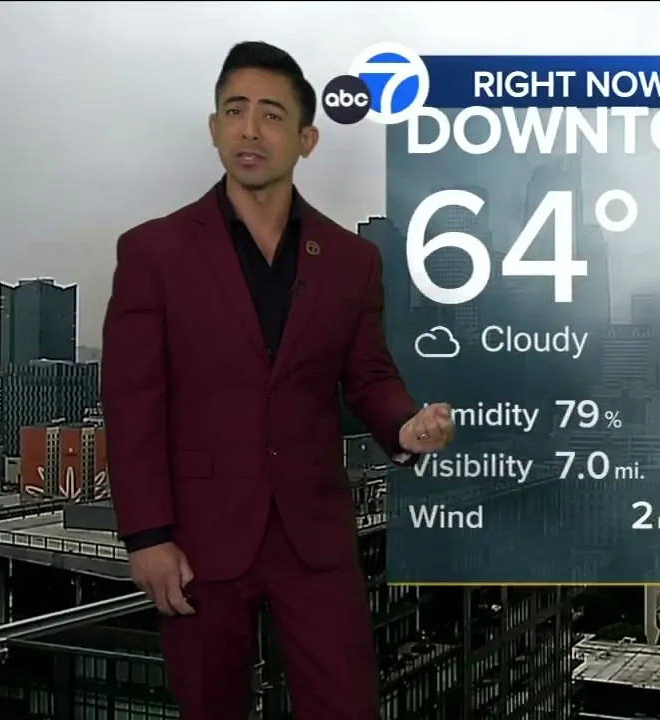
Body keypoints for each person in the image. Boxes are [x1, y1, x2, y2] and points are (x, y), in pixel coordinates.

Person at [101, 41, 454, 719]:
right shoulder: (153, 252)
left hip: (312, 533)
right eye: (235, 111)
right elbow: (132, 403)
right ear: (214, 129)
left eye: (271, 114)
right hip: (198, 537)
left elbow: (369, 376)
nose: (250, 129)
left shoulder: (351, 260)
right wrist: (146, 536)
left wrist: (405, 426)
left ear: (306, 139)